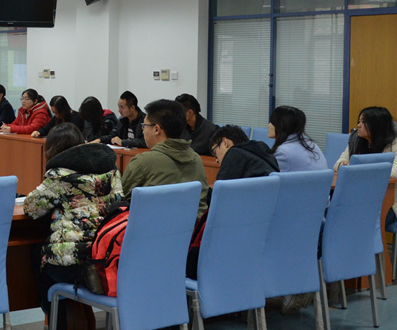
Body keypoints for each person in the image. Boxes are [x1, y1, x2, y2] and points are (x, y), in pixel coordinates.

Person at [24, 123, 123, 330]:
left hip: (78, 264)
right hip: (109, 257)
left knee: (41, 257)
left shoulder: (59, 175)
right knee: (51, 254)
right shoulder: (110, 170)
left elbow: (31, 208)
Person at [188, 125, 280, 279]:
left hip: (230, 248)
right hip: (258, 244)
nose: (217, 160)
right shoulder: (265, 155)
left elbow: (218, 202)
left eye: (215, 152)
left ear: (225, 143)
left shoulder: (234, 154)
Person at [121, 99, 210, 217]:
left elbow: (120, 199)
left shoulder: (143, 162)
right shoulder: (196, 159)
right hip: (192, 227)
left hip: (152, 227)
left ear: (156, 129)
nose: (143, 131)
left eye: (144, 126)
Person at [334, 106, 397, 179]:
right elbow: (337, 164)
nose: (358, 125)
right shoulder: (355, 139)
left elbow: (395, 171)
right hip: (359, 181)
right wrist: (342, 165)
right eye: (359, 121)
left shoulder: (394, 141)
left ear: (377, 125)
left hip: (386, 184)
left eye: (363, 122)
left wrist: (361, 170)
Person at [269, 106, 327, 172]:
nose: (269, 125)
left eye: (272, 122)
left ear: (281, 125)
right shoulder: (312, 145)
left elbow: (268, 176)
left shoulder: (283, 153)